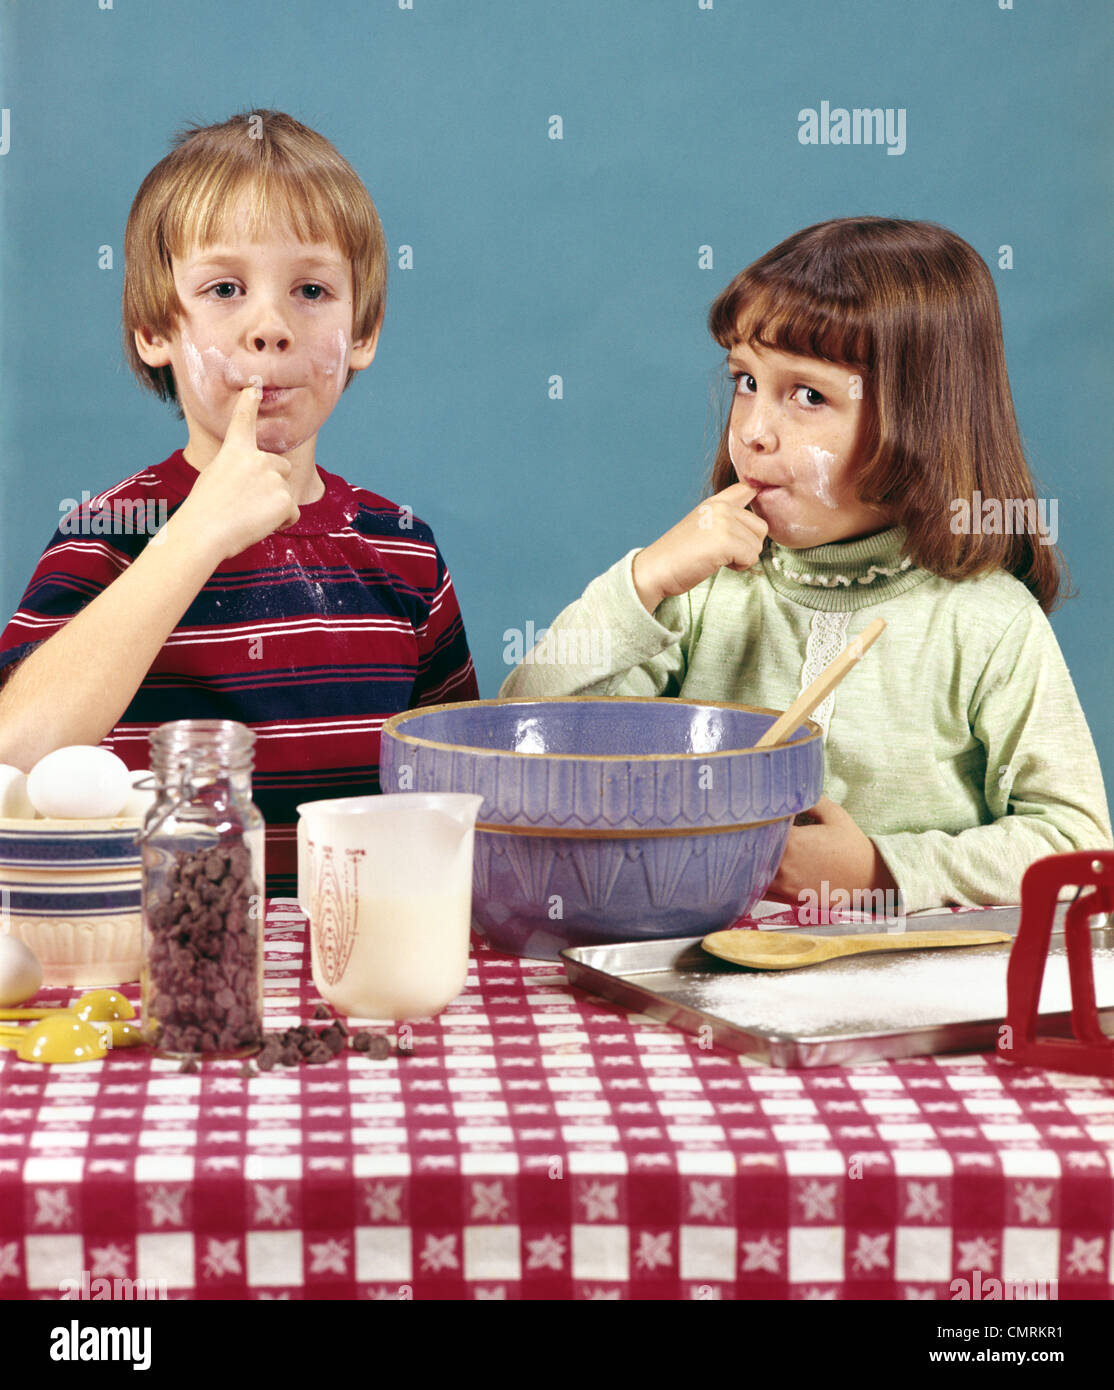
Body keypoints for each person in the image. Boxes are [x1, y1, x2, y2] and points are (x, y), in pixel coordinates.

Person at [500, 217, 1111, 913]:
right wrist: (644, 583)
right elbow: (524, 739)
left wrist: (879, 871)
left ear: (920, 421)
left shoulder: (989, 623)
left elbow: (1079, 849)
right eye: (746, 380)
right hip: (708, 963)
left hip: (907, 978)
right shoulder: (704, 592)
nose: (753, 431)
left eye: (809, 395)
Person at [0, 110, 478, 894]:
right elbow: (14, 751)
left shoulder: (405, 551)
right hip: (170, 947)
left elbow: (459, 805)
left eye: (311, 290)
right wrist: (195, 536)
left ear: (362, 332)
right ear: (155, 328)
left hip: (356, 949)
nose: (270, 328)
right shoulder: (110, 535)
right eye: (225, 289)